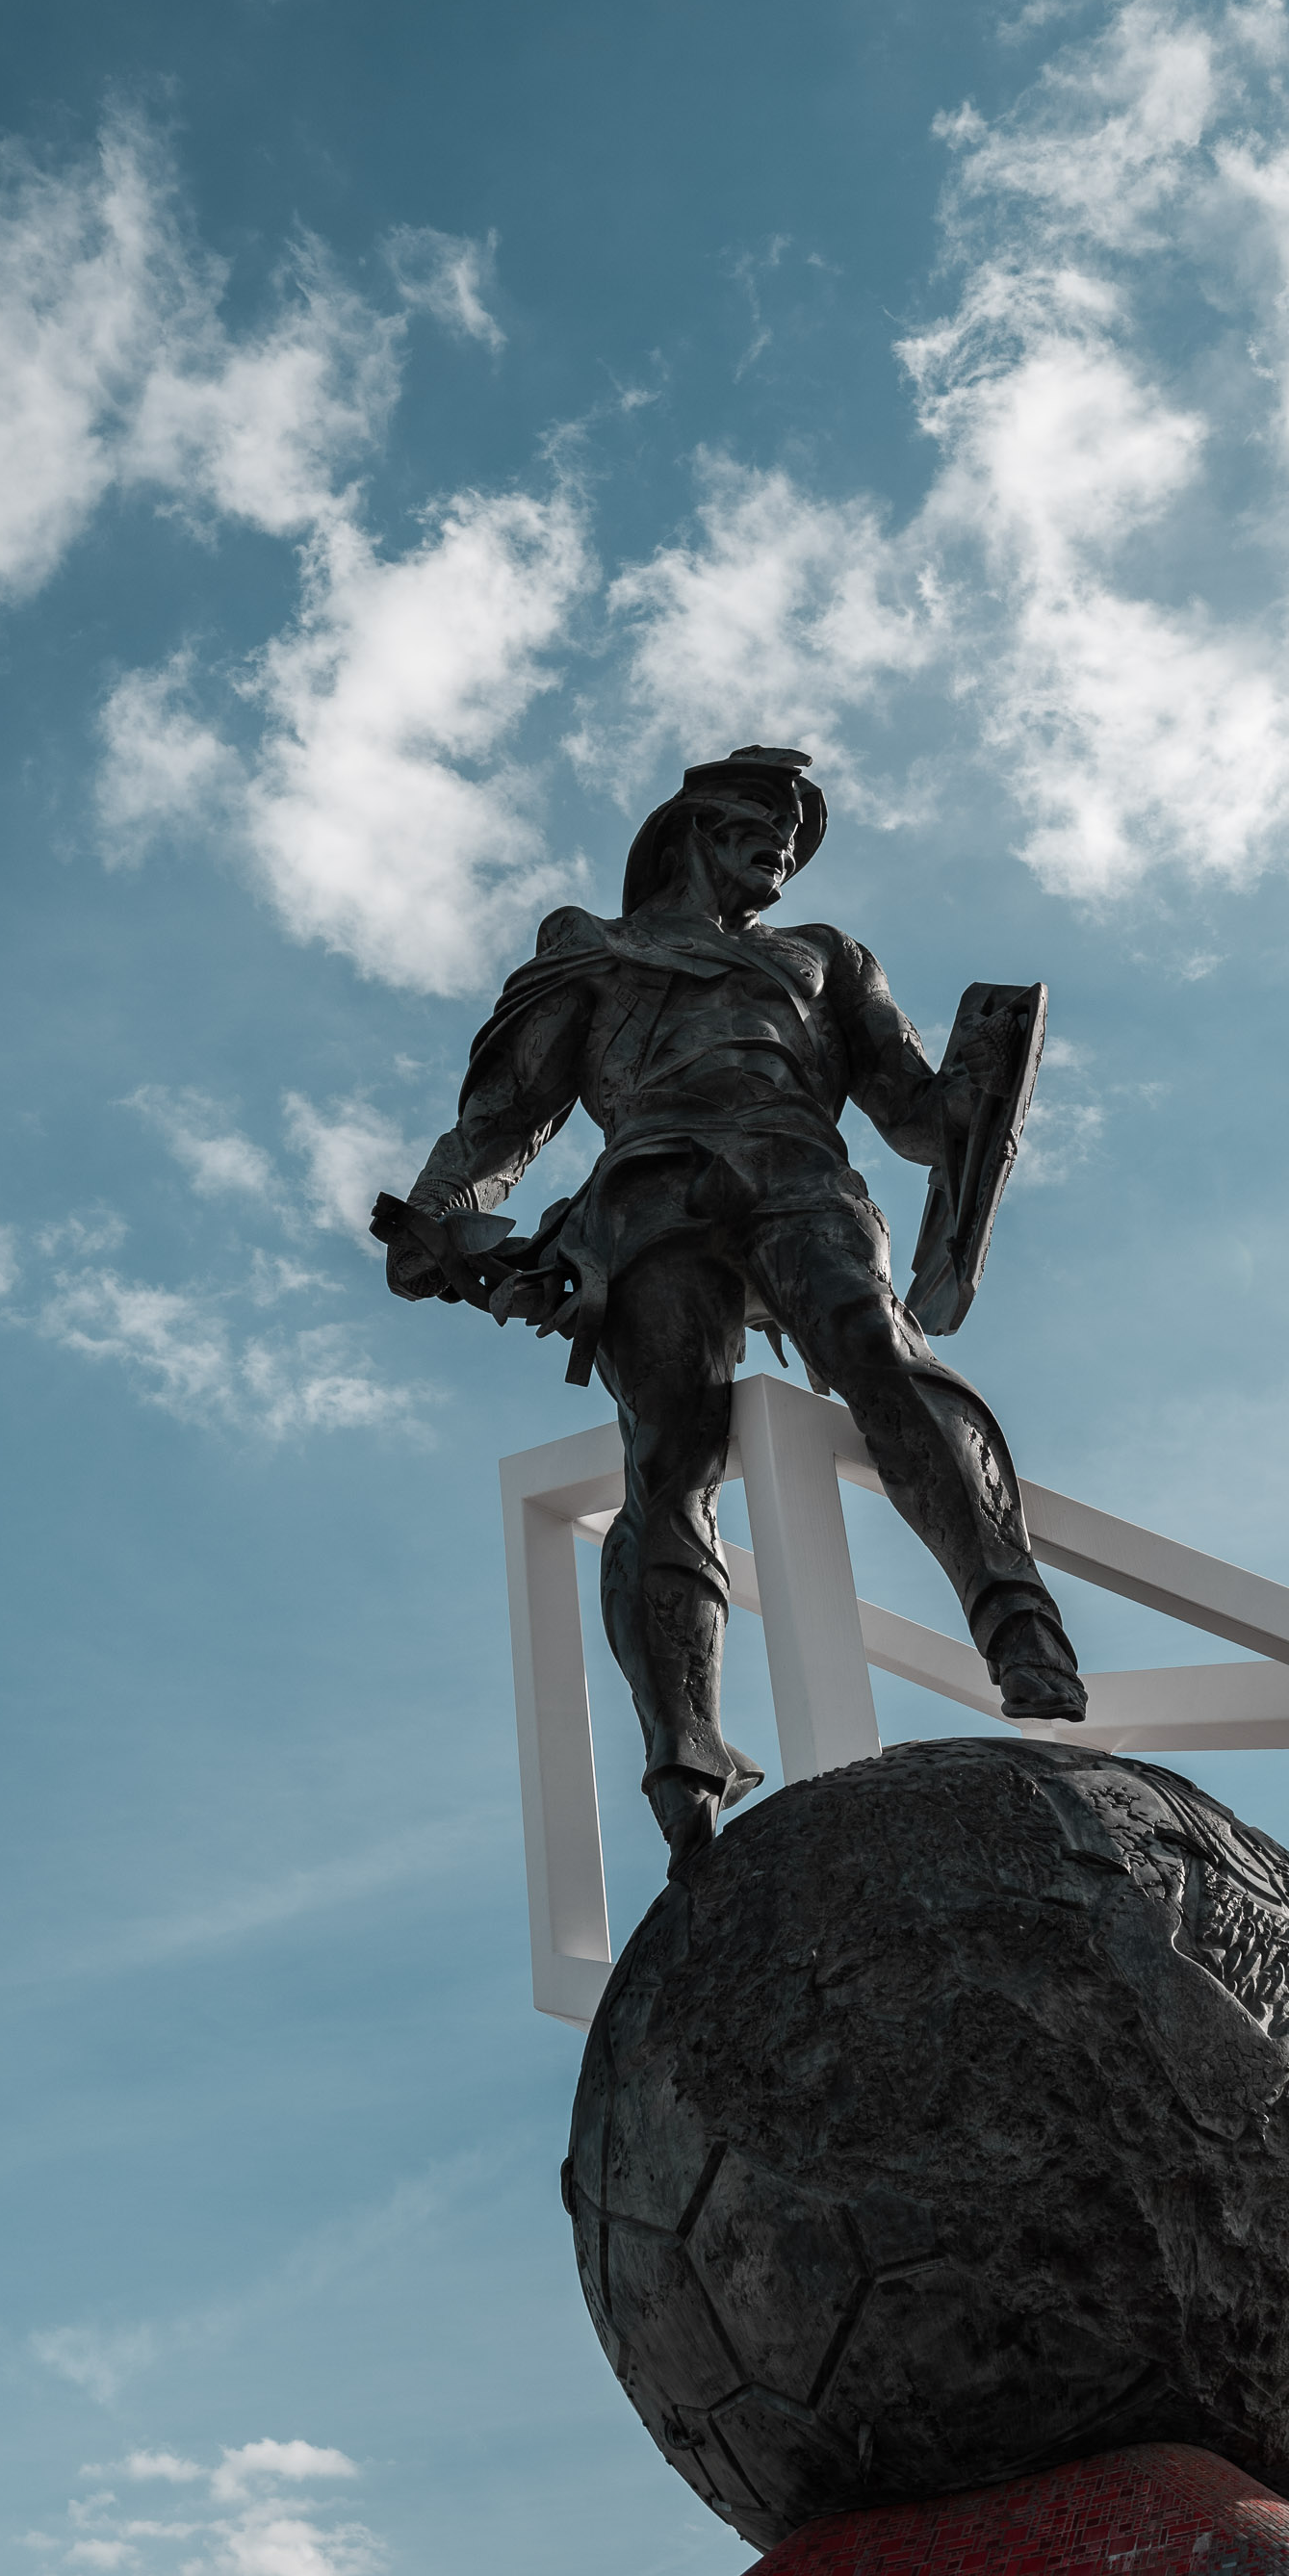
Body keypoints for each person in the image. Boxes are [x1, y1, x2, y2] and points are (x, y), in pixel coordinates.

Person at [377, 744, 1087, 1873]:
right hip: (648, 1193)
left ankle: (1017, 1620)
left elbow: (913, 1117)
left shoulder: (826, 956)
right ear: (696, 828)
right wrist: (436, 1217)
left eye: (795, 840)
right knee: (671, 1451)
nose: (784, 852)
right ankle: (684, 1753)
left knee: (873, 1342)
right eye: (765, 826)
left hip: (800, 1174)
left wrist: (979, 1084)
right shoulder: (591, 945)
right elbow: (502, 1119)